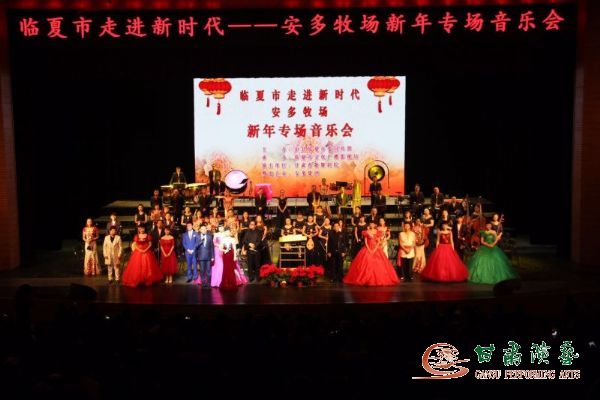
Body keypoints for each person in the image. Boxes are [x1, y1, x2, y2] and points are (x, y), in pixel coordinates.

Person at [343, 222, 400, 286]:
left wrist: (375, 249)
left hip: (376, 248)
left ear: (375, 225)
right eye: (370, 224)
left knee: (379, 263)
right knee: (365, 262)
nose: (371, 225)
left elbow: (378, 241)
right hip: (367, 248)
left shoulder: (377, 232)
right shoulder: (366, 232)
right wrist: (369, 249)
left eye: (373, 224)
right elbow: (366, 242)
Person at [197, 224, 215, 288]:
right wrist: (201, 241)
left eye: (205, 229)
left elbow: (212, 247)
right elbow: (196, 246)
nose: (203, 230)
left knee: (208, 271)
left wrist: (212, 256)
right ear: (200, 230)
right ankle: (203, 283)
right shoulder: (198, 237)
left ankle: (208, 283)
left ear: (206, 230)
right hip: (201, 256)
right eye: (202, 229)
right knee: (202, 270)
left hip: (208, 256)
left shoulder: (209, 237)